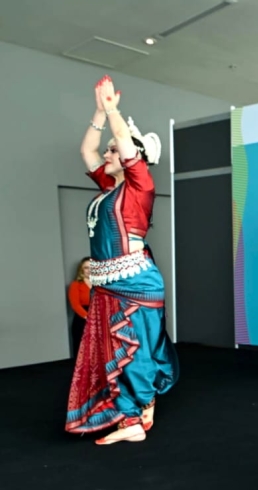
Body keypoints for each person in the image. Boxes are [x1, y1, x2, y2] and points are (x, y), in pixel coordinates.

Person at [65, 75, 179, 445]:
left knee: (134, 349)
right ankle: (136, 410)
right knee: (119, 349)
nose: (108, 154)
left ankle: (133, 417)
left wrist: (114, 110)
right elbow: (86, 152)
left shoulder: (140, 186)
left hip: (135, 280)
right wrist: (99, 113)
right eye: (111, 150)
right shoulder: (109, 190)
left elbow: (127, 152)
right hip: (109, 280)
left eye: (115, 150)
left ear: (136, 158)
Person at [67, 257, 92, 359]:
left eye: (92, 267)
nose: (89, 270)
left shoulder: (101, 284)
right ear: (81, 270)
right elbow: (75, 305)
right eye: (86, 268)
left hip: (100, 319)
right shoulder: (76, 285)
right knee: (83, 352)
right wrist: (89, 317)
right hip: (82, 320)